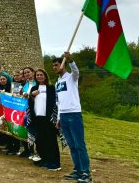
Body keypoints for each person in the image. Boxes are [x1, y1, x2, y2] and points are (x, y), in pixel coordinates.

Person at [53, 52, 92, 183]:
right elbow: (59, 102)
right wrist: (58, 118)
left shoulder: (71, 78)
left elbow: (76, 71)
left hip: (74, 114)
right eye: (53, 65)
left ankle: (86, 173)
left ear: (62, 65)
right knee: (72, 146)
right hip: (63, 115)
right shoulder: (57, 83)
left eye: (56, 65)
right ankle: (78, 170)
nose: (54, 67)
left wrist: (70, 60)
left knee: (79, 144)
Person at [28, 69, 61, 171]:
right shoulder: (34, 88)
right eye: (37, 75)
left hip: (48, 118)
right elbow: (29, 104)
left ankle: (55, 162)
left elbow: (54, 103)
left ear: (45, 76)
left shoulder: (51, 88)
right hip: (37, 118)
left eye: (41, 75)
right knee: (40, 140)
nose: (39, 76)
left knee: (51, 140)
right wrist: (32, 95)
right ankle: (44, 159)